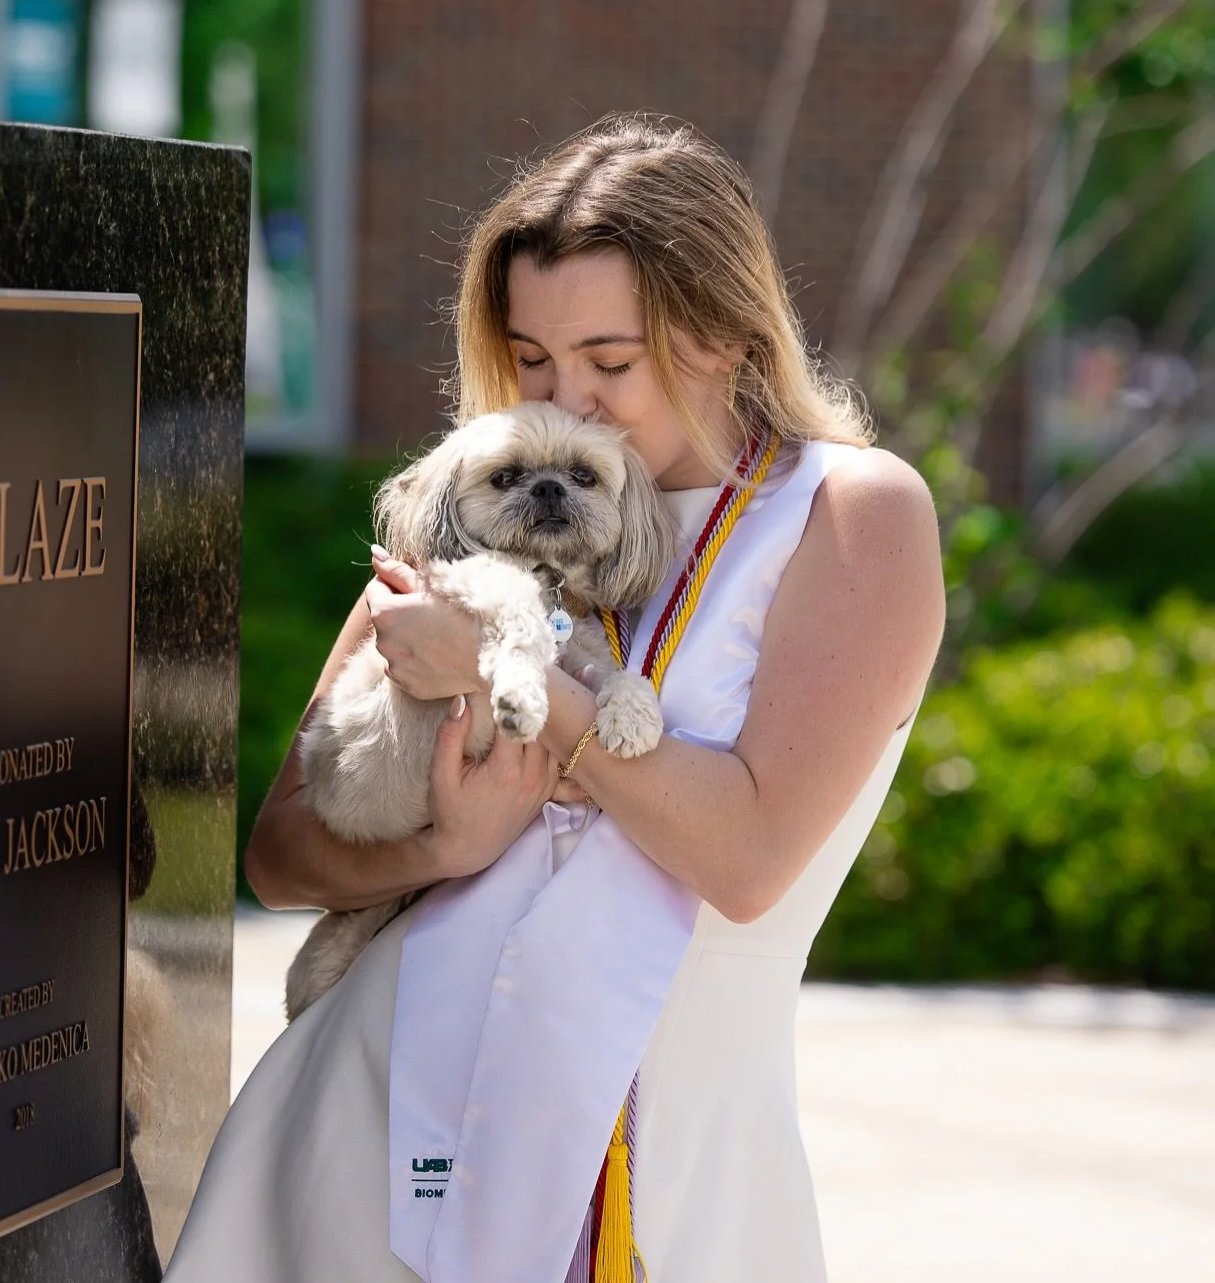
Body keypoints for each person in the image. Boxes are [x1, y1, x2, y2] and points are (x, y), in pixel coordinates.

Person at [166, 114, 945, 1283]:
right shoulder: (472, 507)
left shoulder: (851, 514)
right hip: (370, 1149)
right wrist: (444, 841)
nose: (564, 399)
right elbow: (279, 860)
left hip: (674, 1175)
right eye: (531, 357)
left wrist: (504, 679)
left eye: (609, 362)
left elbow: (744, 860)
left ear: (727, 335)